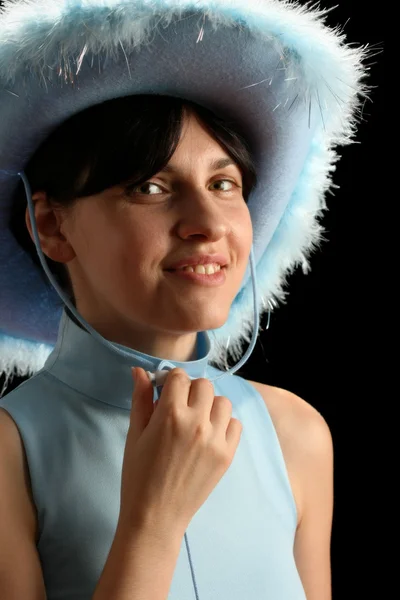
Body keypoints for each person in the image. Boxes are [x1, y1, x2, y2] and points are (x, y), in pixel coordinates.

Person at [0, 1, 369, 599]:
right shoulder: (9, 452)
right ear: (52, 226)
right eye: (150, 186)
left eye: (224, 184)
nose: (208, 223)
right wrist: (152, 523)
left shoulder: (295, 433)